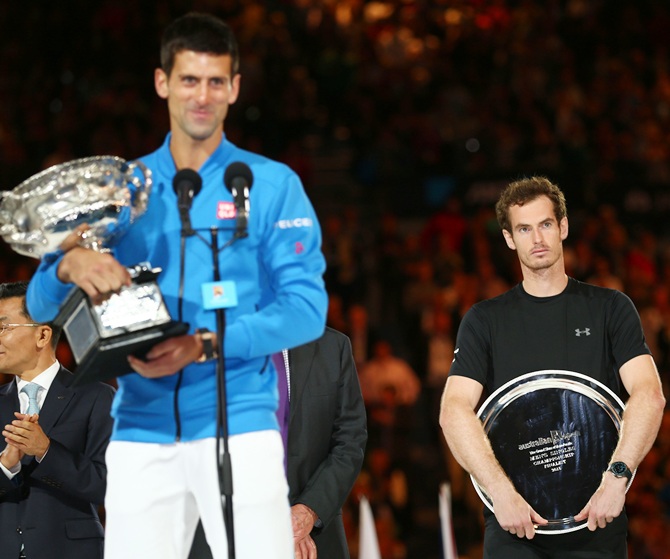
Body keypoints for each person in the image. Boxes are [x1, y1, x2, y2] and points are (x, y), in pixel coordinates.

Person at [26, 12, 327, 559]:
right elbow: (39, 303)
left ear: (235, 88)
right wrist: (66, 264)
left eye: (216, 81)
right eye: (189, 79)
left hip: (242, 426)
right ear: (163, 82)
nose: (202, 96)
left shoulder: (272, 184)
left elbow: (305, 310)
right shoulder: (121, 190)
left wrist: (205, 343)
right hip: (142, 429)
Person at [439, 176, 666, 558]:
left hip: (598, 518)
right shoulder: (484, 320)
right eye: (524, 229)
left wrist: (617, 479)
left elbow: (649, 394)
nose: (537, 238)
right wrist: (500, 492)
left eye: (545, 224)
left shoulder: (610, 307)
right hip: (514, 524)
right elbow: (453, 410)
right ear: (510, 239)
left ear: (563, 226)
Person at [189, 327, 367, 559]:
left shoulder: (333, 346)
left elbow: (350, 440)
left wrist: (307, 512)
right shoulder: (205, 345)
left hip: (313, 537)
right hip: (224, 532)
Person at [0, 281, 115, 559]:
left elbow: (108, 485)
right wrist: (6, 467)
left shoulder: (95, 396)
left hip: (71, 550)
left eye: (3, 327)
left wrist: (46, 451)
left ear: (42, 335)